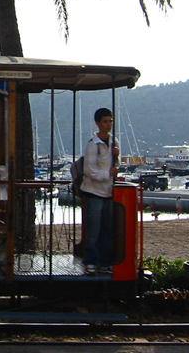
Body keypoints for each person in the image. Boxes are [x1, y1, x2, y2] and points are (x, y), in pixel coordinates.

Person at [80, 108, 119, 276]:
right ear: (98, 123)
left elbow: (115, 166)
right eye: (105, 121)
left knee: (107, 229)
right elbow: (89, 171)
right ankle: (90, 261)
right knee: (94, 230)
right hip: (94, 192)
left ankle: (104, 261)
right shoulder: (92, 144)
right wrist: (107, 174)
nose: (109, 124)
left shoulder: (114, 142)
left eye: (110, 121)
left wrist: (116, 159)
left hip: (108, 192)